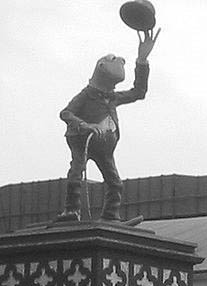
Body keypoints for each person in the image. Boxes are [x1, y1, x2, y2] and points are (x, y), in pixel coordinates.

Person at [56, 28, 160, 223]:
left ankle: (110, 216)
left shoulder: (112, 97)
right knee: (76, 172)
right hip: (82, 140)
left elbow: (139, 92)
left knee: (115, 182)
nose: (120, 61)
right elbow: (66, 113)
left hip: (104, 147)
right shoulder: (86, 94)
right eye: (113, 59)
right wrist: (84, 125)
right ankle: (71, 211)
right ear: (101, 66)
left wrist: (142, 60)